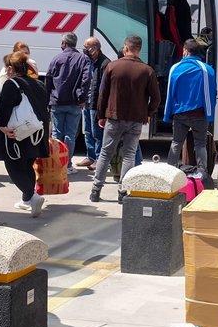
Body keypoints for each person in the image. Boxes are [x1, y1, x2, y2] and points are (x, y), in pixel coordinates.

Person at [90, 35, 160, 203]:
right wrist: (148, 113)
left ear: (126, 48)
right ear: (139, 49)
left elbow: (102, 94)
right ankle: (123, 191)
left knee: (105, 153)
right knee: (129, 154)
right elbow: (156, 98)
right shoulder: (147, 70)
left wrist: (101, 115)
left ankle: (95, 190)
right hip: (136, 119)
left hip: (114, 117)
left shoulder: (112, 66)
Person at [0, 52, 50, 216]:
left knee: (13, 166)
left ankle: (32, 196)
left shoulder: (11, 84)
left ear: (10, 68)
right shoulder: (38, 83)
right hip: (36, 132)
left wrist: (2, 127)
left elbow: (5, 107)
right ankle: (27, 199)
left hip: (17, 133)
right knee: (27, 164)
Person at [164, 39, 217, 169]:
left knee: (176, 143)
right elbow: (211, 94)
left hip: (180, 114)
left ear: (185, 51)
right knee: (200, 144)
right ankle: (202, 173)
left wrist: (167, 115)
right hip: (199, 114)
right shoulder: (207, 69)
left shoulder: (175, 68)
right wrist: (210, 116)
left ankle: (169, 171)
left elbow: (170, 93)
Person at [46, 32, 89, 171]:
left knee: (56, 134)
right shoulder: (83, 59)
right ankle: (67, 165)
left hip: (57, 102)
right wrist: (82, 98)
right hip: (75, 103)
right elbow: (86, 80)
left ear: (64, 43)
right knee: (70, 135)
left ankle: (55, 164)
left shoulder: (56, 58)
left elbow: (48, 79)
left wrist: (48, 98)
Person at [76, 37, 109, 169]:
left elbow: (104, 88)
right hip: (87, 103)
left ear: (95, 49)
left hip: (96, 104)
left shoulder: (105, 63)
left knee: (97, 134)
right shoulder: (88, 61)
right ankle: (90, 157)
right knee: (88, 132)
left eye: (86, 47)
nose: (84, 50)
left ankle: (98, 159)